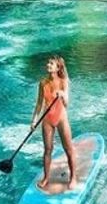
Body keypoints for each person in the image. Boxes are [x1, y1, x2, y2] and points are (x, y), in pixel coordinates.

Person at [32, 55, 77, 191]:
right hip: (47, 119)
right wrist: (34, 120)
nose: (48, 65)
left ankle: (73, 177)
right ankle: (46, 178)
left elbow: (66, 103)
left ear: (58, 67)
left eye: (51, 64)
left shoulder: (64, 81)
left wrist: (62, 94)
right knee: (47, 149)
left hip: (61, 118)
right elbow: (39, 104)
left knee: (68, 149)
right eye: (48, 63)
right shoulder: (43, 83)